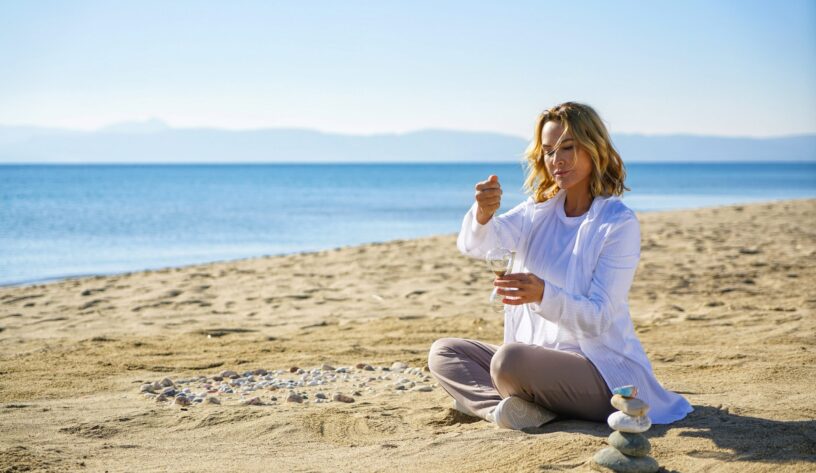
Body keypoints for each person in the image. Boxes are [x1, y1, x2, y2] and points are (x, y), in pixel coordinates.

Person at [427, 101, 693, 430]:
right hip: (538, 359)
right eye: (549, 151)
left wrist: (542, 294)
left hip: (599, 368)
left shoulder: (617, 223)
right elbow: (480, 244)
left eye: (568, 147)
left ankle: (507, 404)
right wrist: (483, 213)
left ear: (594, 149)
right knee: (445, 352)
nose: (558, 160)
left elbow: (598, 318)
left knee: (509, 362)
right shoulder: (537, 212)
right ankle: (504, 410)